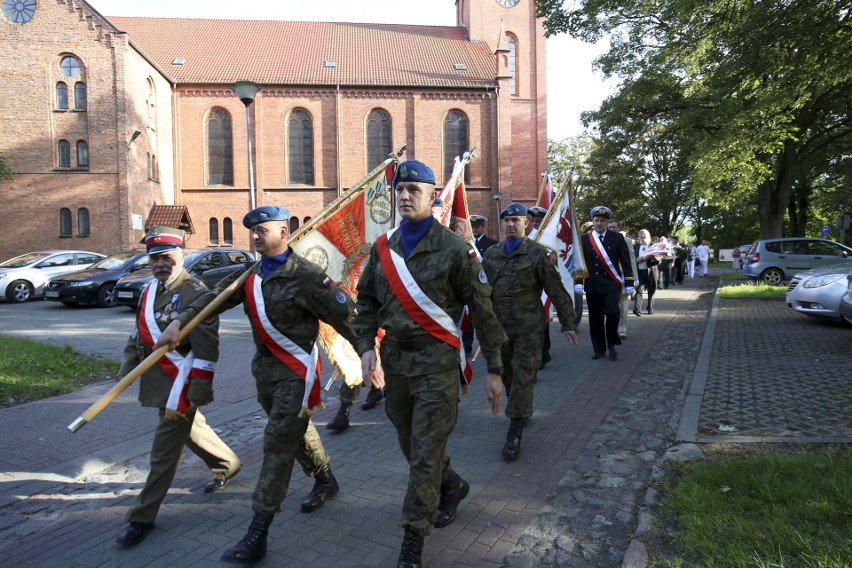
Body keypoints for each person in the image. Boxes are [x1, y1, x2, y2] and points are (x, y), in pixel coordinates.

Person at [157, 205, 357, 564]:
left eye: (261, 230)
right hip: (264, 373)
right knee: (296, 431)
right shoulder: (249, 275)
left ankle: (258, 531)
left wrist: (372, 359)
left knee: (276, 445)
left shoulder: (308, 277)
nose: (253, 237)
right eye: (251, 231)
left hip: (295, 373)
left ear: (283, 232)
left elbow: (350, 319)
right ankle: (325, 479)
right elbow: (210, 300)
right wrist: (179, 322)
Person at [352, 159, 507, 568]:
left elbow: (483, 310)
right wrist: (365, 345)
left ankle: (413, 539)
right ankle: (452, 486)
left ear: (430, 195)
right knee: (411, 445)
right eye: (399, 189)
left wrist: (494, 369)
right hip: (396, 363)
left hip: (437, 364)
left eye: (414, 190)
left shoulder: (454, 250)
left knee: (423, 454)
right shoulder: (383, 248)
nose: (405, 195)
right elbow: (365, 300)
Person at [114, 226, 241, 548]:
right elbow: (137, 335)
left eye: (167, 257)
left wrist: (199, 390)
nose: (160, 264)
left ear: (181, 255)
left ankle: (141, 516)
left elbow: (207, 349)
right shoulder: (150, 290)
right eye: (154, 258)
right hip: (158, 380)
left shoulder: (196, 293)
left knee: (163, 452)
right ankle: (227, 463)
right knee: (193, 430)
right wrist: (125, 372)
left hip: (181, 386)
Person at [482, 202, 578, 460]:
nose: (511, 224)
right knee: (509, 375)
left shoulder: (538, 255)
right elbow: (480, 291)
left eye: (517, 220)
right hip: (500, 329)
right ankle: (522, 410)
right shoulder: (491, 254)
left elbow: (556, 290)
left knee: (524, 375)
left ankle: (514, 430)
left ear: (527, 223)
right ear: (503, 224)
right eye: (507, 221)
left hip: (529, 329)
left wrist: (568, 323)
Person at [579, 206, 635, 361]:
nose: (599, 224)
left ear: (607, 222)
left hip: (611, 283)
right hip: (593, 284)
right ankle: (599, 348)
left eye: (602, 221)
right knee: (595, 318)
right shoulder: (584, 239)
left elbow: (626, 261)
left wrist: (629, 282)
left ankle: (612, 344)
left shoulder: (617, 238)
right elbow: (580, 262)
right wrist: (578, 281)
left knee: (612, 312)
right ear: (593, 221)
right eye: (596, 220)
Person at [463, 214, 498, 355]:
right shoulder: (465, 243)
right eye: (472, 227)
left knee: (485, 318)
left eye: (477, 226)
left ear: (483, 227)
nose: (474, 229)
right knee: (467, 318)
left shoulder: (492, 244)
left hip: (485, 287)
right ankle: (466, 347)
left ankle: (488, 345)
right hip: (468, 286)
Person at [608, 218, 638, 339]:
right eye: (610, 227)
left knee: (623, 305)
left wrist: (634, 278)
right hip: (608, 277)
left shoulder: (626, 240)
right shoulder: (602, 241)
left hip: (621, 277)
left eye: (614, 227)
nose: (612, 229)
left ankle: (622, 329)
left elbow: (631, 260)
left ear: (618, 228)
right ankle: (611, 328)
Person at [634, 229, 659, 315]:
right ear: (638, 237)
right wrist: (637, 260)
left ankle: (650, 308)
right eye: (640, 235)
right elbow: (631, 259)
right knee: (639, 290)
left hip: (651, 272)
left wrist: (652, 257)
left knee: (651, 291)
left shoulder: (654, 246)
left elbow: (659, 260)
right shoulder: (635, 246)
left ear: (648, 236)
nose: (642, 236)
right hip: (639, 271)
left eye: (644, 234)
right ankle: (637, 309)